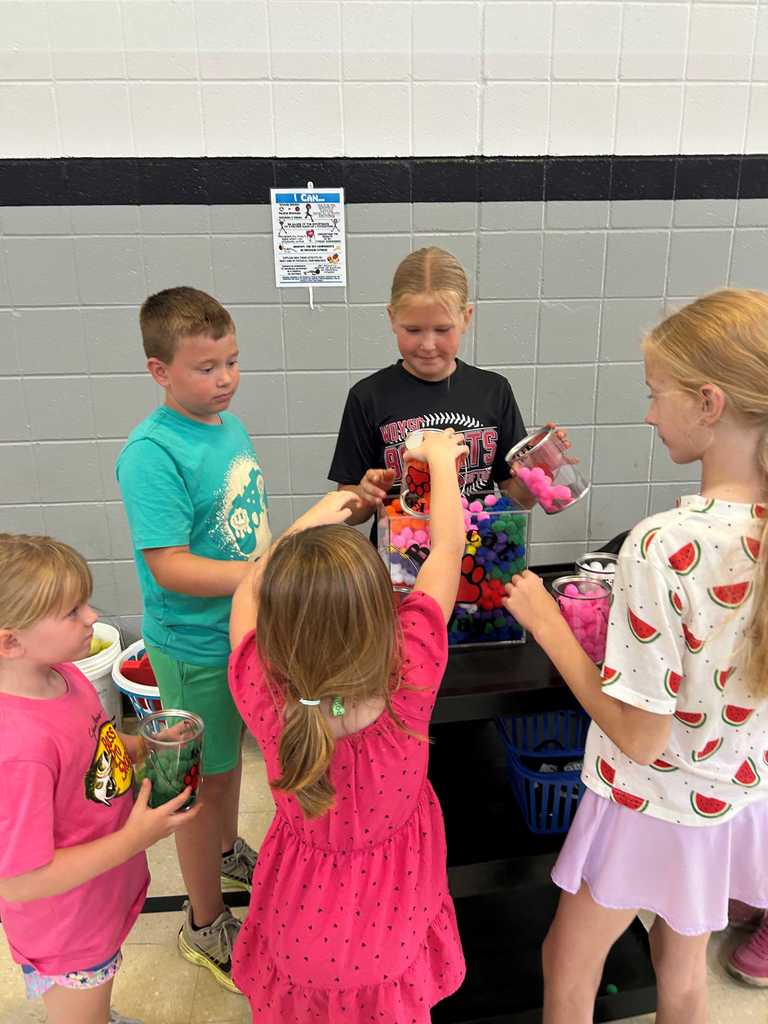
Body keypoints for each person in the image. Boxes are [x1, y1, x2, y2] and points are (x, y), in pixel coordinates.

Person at [502, 289, 768, 1023]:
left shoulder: (663, 544)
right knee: (682, 971)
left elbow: (642, 735)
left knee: (568, 959)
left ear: (709, 403)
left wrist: (549, 626)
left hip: (648, 801)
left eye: (656, 394)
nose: (649, 414)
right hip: (731, 794)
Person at [227, 429, 469, 1022]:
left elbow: (247, 589)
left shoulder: (263, 691)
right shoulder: (409, 679)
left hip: (297, 928)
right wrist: (439, 460)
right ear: (383, 609)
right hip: (392, 928)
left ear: (280, 633)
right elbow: (448, 549)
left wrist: (305, 524)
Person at [116, 287, 271, 991]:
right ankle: (204, 923)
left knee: (227, 765)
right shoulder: (150, 454)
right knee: (194, 793)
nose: (226, 379)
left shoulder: (225, 424)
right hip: (193, 644)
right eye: (207, 368)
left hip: (240, 632)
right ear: (160, 371)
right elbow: (170, 565)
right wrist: (259, 576)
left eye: (232, 361)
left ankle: (230, 849)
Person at [0, 534, 198, 1024]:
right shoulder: (19, 748)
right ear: (9, 640)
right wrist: (135, 838)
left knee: (98, 997)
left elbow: (93, 745)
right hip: (68, 930)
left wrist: (142, 746)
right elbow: (20, 881)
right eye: (71, 611)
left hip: (99, 897)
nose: (91, 616)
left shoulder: (63, 673)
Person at [328, 246, 532, 537]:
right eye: (412, 330)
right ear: (392, 318)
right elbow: (351, 511)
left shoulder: (494, 391)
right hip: (399, 562)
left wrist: (536, 477)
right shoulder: (368, 397)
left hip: (479, 559)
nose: (427, 344)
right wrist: (363, 494)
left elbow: (517, 499)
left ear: (466, 318)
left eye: (442, 329)